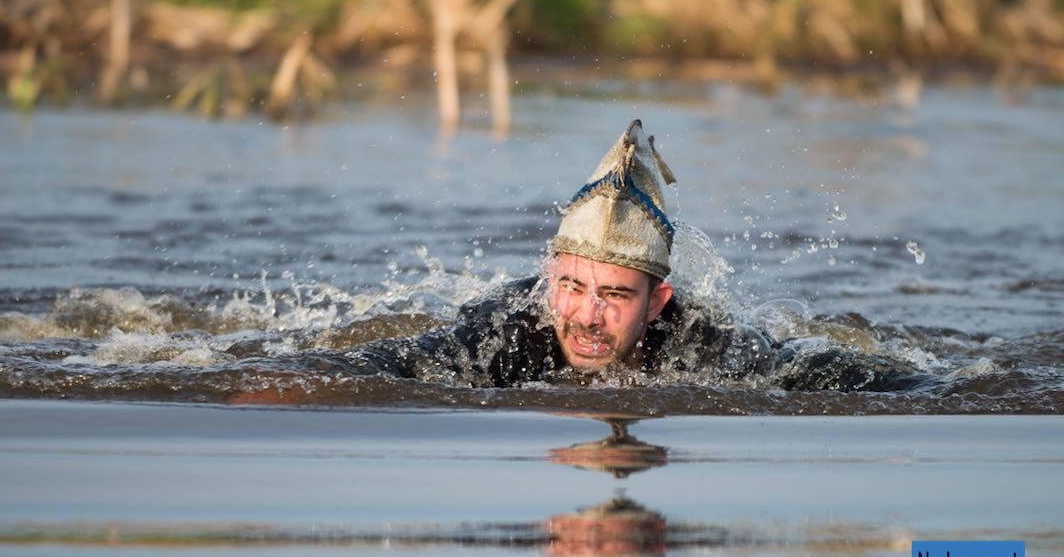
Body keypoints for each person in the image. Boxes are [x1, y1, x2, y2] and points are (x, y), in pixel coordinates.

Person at [341, 119, 931, 392]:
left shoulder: (706, 345)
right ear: (549, 277)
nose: (587, 316)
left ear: (656, 302)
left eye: (616, 294)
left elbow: (813, 372)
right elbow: (386, 364)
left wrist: (944, 389)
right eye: (572, 286)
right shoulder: (503, 332)